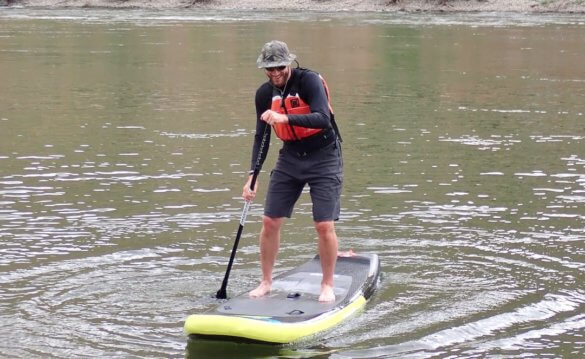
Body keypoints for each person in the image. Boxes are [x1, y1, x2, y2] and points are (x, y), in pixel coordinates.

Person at [242, 40, 343, 302]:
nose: (275, 73)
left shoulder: (308, 81)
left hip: (324, 156)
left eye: (280, 67)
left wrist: (284, 118)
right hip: (291, 157)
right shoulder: (264, 95)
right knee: (269, 220)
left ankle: (327, 285)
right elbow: (260, 137)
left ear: (289, 63)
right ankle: (266, 282)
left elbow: (322, 118)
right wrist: (253, 175)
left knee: (323, 224)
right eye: (269, 68)